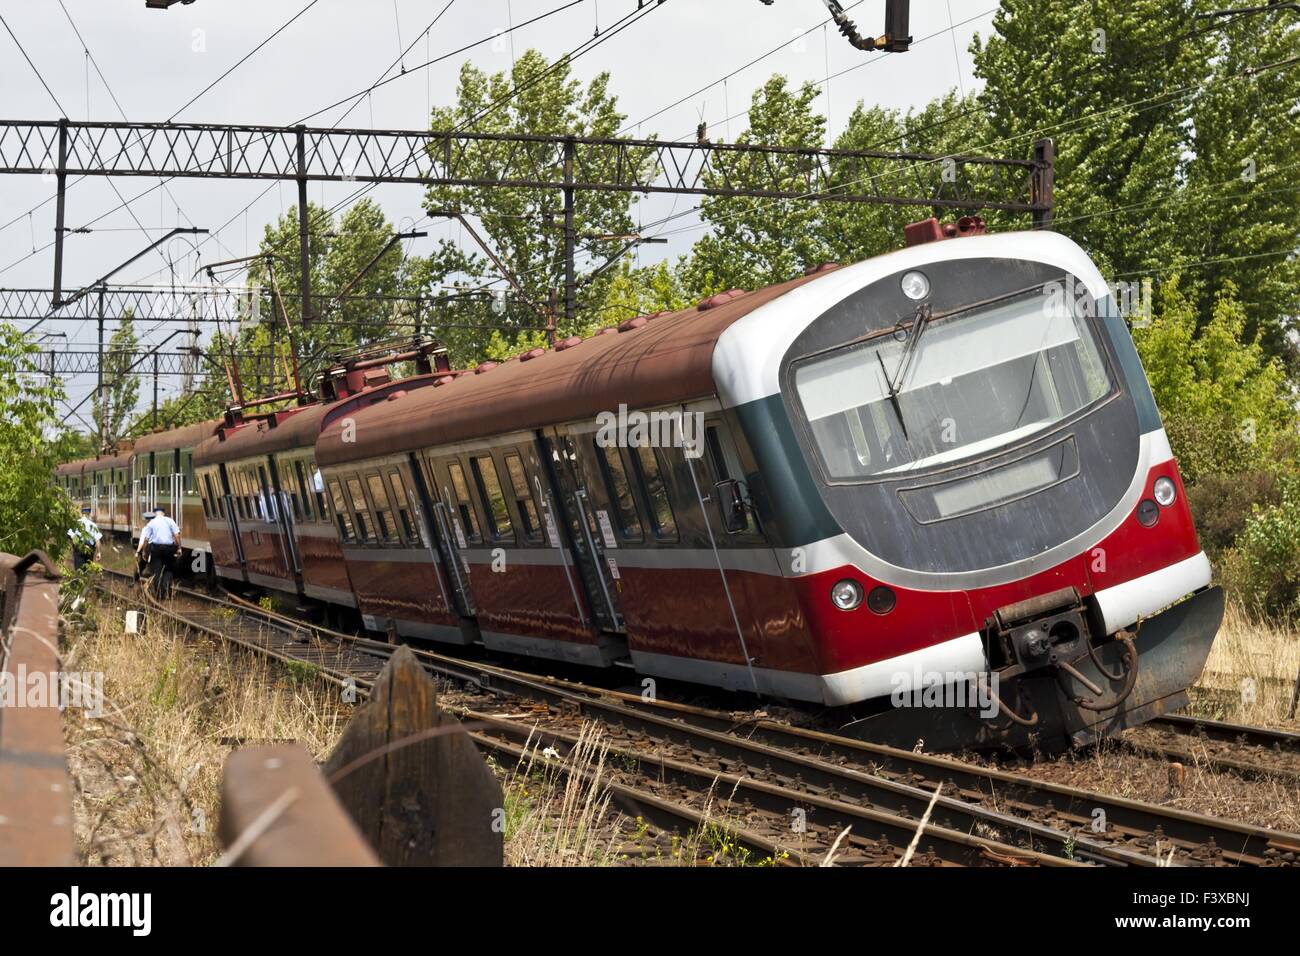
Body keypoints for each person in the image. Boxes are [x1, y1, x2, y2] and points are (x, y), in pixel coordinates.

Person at [137, 504, 181, 596]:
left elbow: (146, 539)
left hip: (156, 549)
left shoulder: (152, 522)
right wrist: (179, 548)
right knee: (168, 570)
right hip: (169, 549)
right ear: (163, 513)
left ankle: (159, 594)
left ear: (154, 513)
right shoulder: (170, 521)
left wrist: (145, 551)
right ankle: (167, 593)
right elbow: (177, 535)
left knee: (157, 571)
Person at [68, 507, 102, 572]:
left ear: (81, 513)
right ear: (89, 513)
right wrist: (99, 552)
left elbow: (71, 536)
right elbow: (98, 540)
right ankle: (86, 580)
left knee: (79, 570)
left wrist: (76, 545)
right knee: (87, 570)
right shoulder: (93, 525)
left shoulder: (76, 524)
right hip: (90, 549)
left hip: (78, 548)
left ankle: (80, 580)